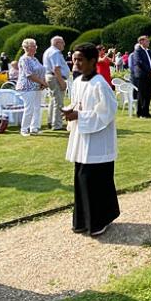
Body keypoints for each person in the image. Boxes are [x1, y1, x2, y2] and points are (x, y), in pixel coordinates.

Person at [63, 44, 120, 236]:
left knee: (95, 180)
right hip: (82, 138)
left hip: (98, 141)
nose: (76, 63)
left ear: (92, 61)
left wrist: (79, 116)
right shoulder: (78, 81)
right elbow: (78, 103)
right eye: (74, 59)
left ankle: (99, 220)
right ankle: (82, 221)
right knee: (81, 177)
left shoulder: (100, 83)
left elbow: (107, 112)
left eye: (80, 59)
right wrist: (70, 111)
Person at [16, 38, 48, 136]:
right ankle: (24, 129)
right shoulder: (24, 59)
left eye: (35, 46)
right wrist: (43, 82)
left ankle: (34, 128)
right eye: (33, 46)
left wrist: (43, 82)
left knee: (37, 108)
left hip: (37, 87)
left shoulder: (35, 59)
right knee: (29, 108)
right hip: (27, 87)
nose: (35, 48)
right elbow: (29, 75)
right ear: (27, 48)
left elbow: (41, 71)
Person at [43, 36, 70, 131]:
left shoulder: (48, 51)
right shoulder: (55, 52)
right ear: (57, 43)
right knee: (58, 102)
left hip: (51, 77)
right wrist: (61, 81)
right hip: (55, 77)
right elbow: (56, 68)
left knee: (53, 100)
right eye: (62, 42)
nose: (64, 45)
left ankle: (51, 121)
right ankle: (57, 124)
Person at [131, 35, 151, 118]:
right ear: (141, 42)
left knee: (148, 94)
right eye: (147, 41)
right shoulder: (138, 51)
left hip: (149, 75)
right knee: (142, 94)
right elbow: (140, 62)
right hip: (142, 75)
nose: (148, 42)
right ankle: (140, 113)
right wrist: (150, 70)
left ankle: (146, 112)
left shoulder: (149, 51)